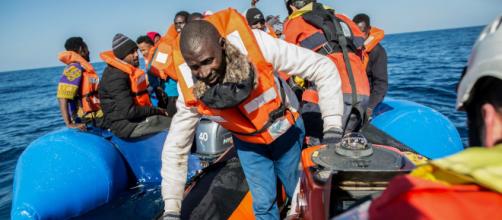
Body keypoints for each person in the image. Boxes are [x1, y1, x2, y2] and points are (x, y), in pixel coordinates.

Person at [160, 9, 345, 220]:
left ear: (222, 45)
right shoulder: (188, 92)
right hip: (249, 144)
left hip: (287, 133)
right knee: (263, 205)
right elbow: (175, 148)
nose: (204, 73)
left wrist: (332, 128)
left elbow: (323, 67)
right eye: (195, 67)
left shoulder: (259, 45)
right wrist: (172, 209)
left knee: (302, 197)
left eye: (208, 61)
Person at [336, 16, 502, 220]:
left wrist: (369, 108)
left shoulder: (409, 204)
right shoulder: (354, 51)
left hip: (367, 102)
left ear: (489, 118)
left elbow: (381, 84)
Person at [282, 0, 370, 134]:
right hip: (362, 92)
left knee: (317, 147)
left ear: (292, 6)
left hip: (327, 94)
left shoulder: (295, 22)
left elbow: (283, 68)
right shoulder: (343, 19)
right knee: (346, 144)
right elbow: (363, 54)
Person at [98, 33, 171, 139]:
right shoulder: (116, 77)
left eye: (136, 51)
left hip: (133, 121)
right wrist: (157, 110)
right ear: (122, 55)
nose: (137, 55)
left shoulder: (121, 72)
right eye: (131, 52)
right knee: (175, 126)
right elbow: (130, 112)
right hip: (126, 126)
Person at [57, 37, 102, 131]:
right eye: (87, 48)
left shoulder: (83, 68)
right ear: (81, 49)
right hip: (88, 120)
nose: (89, 51)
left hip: (96, 116)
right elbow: (62, 97)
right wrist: (69, 123)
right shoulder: (74, 68)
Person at [353, 13, 388, 117]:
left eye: (362, 31)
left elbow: (381, 84)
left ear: (368, 29)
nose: (359, 35)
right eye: (356, 32)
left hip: (367, 99)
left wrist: (370, 107)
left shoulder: (378, 51)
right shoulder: (352, 48)